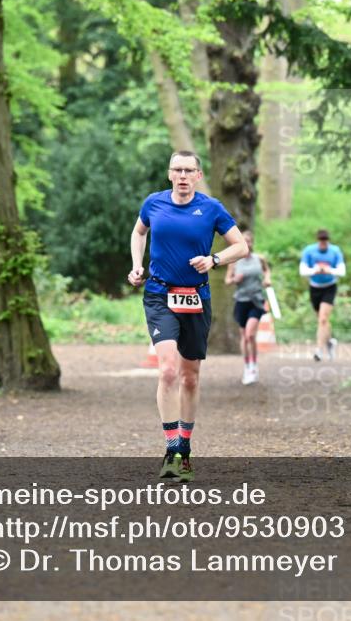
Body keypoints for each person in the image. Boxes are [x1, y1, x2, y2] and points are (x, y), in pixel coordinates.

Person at [127, 151, 248, 482]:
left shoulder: (211, 208)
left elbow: (241, 246)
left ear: (198, 175)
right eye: (177, 170)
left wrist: (214, 260)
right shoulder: (153, 203)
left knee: (190, 377)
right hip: (159, 294)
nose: (182, 176)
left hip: (196, 297)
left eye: (188, 170)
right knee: (168, 370)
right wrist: (137, 266)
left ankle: (185, 446)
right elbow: (139, 233)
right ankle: (172, 450)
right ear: (169, 174)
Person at [225, 230, 272, 385]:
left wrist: (267, 279)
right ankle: (247, 366)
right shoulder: (234, 262)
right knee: (244, 337)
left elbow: (267, 271)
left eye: (249, 241)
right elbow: (227, 280)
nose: (247, 243)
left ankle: (253, 367)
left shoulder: (260, 259)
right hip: (241, 301)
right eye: (244, 240)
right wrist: (234, 279)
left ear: (252, 243)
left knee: (250, 334)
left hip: (256, 300)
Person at [299, 229, 346, 362]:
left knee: (323, 319)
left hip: (329, 287)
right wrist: (315, 270)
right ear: (318, 240)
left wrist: (329, 270)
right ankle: (330, 342)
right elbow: (302, 271)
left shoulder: (335, 251)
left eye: (325, 240)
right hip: (314, 288)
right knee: (322, 320)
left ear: (328, 240)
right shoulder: (309, 251)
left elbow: (342, 271)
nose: (323, 243)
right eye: (321, 240)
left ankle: (319, 350)